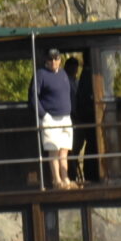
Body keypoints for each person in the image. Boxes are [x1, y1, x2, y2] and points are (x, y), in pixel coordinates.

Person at [31, 50, 77, 188]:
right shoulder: (40, 74)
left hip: (65, 117)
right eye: (51, 59)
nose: (53, 62)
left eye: (56, 59)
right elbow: (33, 96)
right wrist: (43, 115)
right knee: (53, 149)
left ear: (60, 60)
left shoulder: (63, 73)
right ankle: (57, 180)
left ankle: (65, 179)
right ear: (46, 60)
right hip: (50, 118)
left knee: (64, 150)